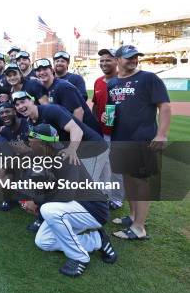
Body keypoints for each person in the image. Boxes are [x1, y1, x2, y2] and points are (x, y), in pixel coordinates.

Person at [27, 124, 118, 277]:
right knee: (43, 241)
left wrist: (37, 202)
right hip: (72, 208)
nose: (29, 141)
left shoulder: (65, 156)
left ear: (42, 143)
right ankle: (97, 240)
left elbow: (66, 194)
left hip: (93, 210)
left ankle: (79, 257)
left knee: (48, 209)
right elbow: (45, 190)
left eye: (31, 139)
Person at [107, 45, 170, 240]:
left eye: (135, 57)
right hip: (120, 138)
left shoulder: (149, 78)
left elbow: (165, 107)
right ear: (118, 59)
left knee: (140, 180)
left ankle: (139, 228)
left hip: (142, 139)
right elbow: (112, 109)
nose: (133, 60)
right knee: (127, 177)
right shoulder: (113, 83)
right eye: (128, 57)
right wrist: (107, 118)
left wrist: (161, 134)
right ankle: (133, 216)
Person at [92, 48, 124, 209]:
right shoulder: (98, 82)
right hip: (101, 132)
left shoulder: (124, 80)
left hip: (119, 133)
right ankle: (105, 195)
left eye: (108, 60)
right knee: (103, 167)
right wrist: (94, 123)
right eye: (102, 60)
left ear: (117, 61)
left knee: (117, 168)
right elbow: (96, 106)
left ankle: (117, 199)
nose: (104, 63)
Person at [34, 58, 101, 134]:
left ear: (52, 70)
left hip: (89, 135)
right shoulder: (44, 89)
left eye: (45, 69)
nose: (42, 72)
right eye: (38, 70)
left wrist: (73, 135)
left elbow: (79, 111)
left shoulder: (62, 86)